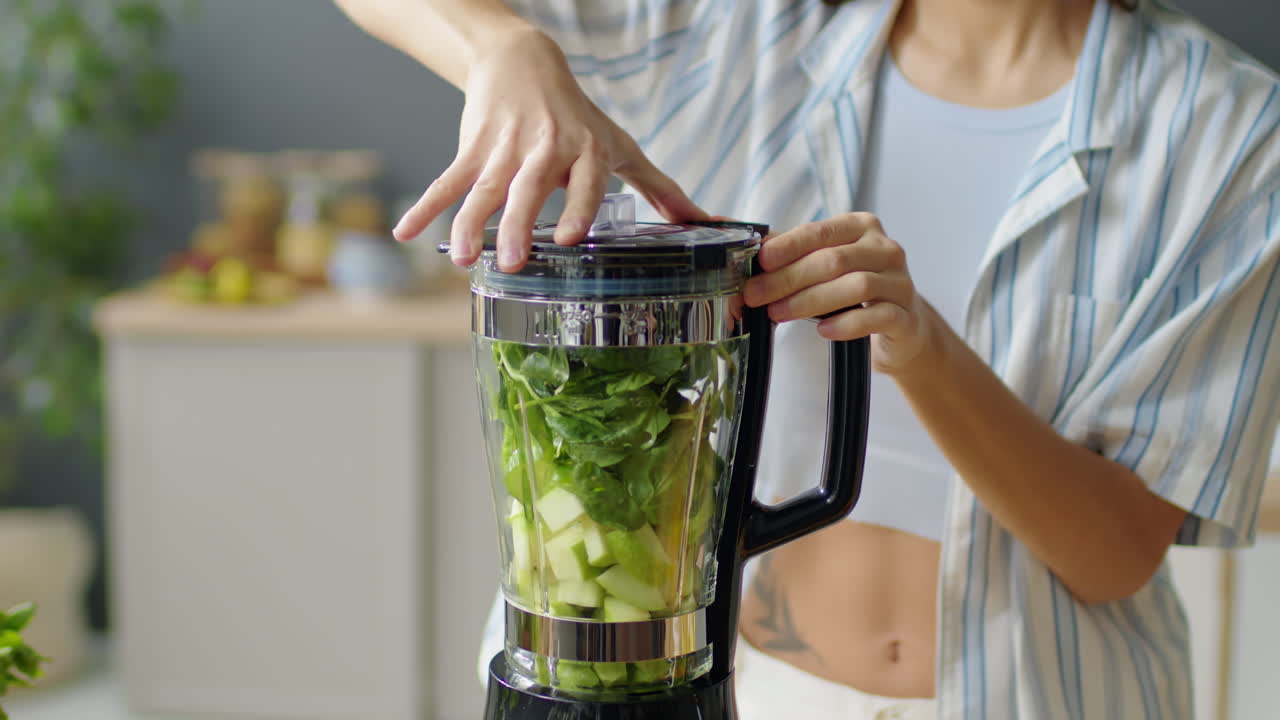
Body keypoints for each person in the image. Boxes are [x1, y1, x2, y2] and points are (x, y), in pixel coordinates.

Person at [334, 0, 1280, 717]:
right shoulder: (732, 33)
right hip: (729, 685)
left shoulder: (1230, 136)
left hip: (1037, 692)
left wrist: (925, 347)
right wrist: (506, 47)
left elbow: (1116, 555)